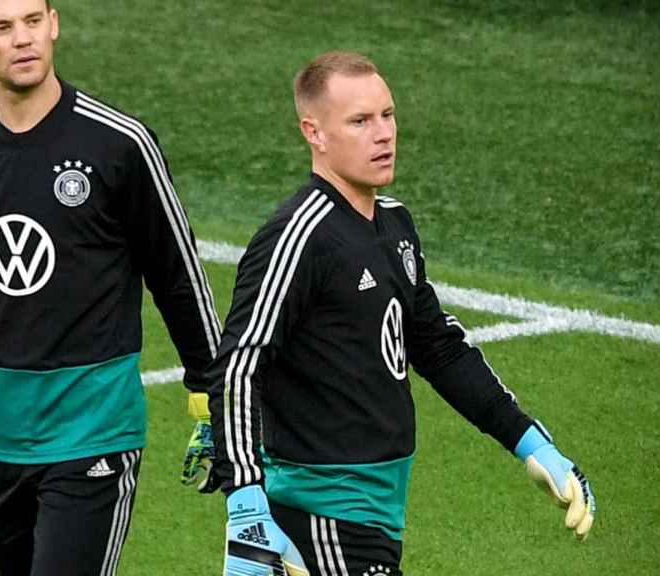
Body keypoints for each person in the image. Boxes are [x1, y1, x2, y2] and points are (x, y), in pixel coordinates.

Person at [203, 51, 597, 576]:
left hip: (374, 516)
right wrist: (246, 507)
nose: (383, 134)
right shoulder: (299, 237)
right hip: (322, 516)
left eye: (387, 115)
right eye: (360, 121)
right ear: (314, 133)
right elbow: (238, 366)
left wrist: (530, 441)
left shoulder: (394, 225)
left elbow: (436, 344)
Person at [0, 1, 222, 574]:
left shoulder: (120, 144)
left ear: (54, 24)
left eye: (33, 21)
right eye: (2, 28)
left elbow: (177, 273)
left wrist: (211, 395)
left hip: (94, 428)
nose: (22, 39)